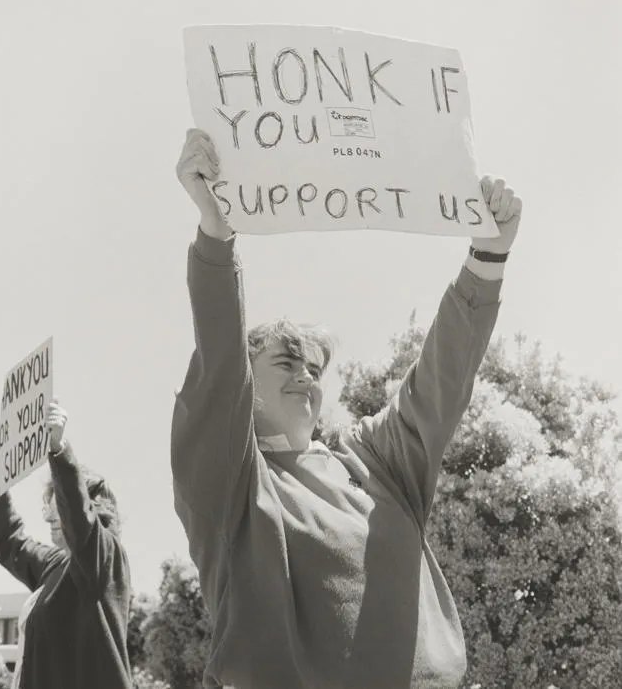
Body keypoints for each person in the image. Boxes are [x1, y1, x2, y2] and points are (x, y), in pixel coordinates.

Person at [171, 128, 523, 689]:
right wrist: (217, 235)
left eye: (314, 366)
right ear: (247, 386)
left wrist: (488, 256)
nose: (306, 374)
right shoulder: (232, 488)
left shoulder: (373, 463)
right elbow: (217, 373)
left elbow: (438, 384)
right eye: (285, 362)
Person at [0, 400, 133, 689]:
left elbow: (80, 521)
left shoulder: (106, 557)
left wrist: (58, 449)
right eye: (47, 509)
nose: (49, 515)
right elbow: (13, 545)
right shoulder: (55, 565)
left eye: (57, 508)